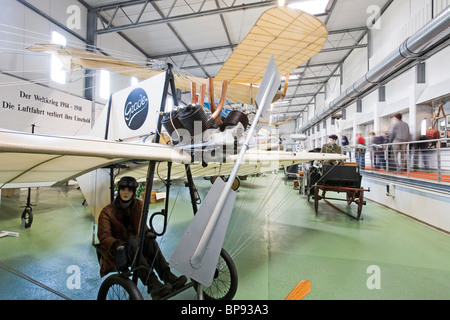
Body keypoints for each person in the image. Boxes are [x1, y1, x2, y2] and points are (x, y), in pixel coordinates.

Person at [97, 176, 187, 299]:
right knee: (133, 242)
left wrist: (148, 231)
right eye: (123, 189)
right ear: (119, 190)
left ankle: (167, 276)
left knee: (149, 241)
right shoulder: (107, 212)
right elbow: (104, 236)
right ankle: (153, 284)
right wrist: (117, 245)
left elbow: (141, 225)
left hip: (135, 247)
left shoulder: (138, 205)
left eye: (129, 190)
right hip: (118, 253)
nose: (126, 192)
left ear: (133, 192)